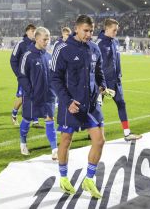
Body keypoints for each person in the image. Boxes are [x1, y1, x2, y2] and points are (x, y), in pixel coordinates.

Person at [51, 15, 112, 199]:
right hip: (72, 104)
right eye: (86, 30)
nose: (89, 34)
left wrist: (102, 86)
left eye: (91, 31)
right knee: (66, 141)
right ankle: (63, 177)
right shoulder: (62, 48)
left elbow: (99, 72)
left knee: (100, 141)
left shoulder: (94, 48)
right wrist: (67, 101)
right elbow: (54, 78)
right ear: (76, 29)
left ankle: (89, 179)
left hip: (92, 105)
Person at [96, 18, 142, 141]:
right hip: (102, 82)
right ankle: (94, 133)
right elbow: (95, 65)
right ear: (106, 29)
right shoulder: (99, 43)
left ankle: (127, 133)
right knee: (97, 108)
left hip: (116, 81)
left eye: (117, 30)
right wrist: (99, 83)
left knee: (121, 104)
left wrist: (119, 75)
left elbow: (117, 61)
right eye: (114, 30)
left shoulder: (115, 42)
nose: (116, 32)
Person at [18, 27, 58, 159]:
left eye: (48, 39)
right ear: (36, 39)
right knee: (27, 119)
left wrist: (55, 93)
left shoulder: (48, 56)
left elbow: (53, 75)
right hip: (32, 97)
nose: (47, 41)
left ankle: (54, 150)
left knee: (50, 119)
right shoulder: (27, 56)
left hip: (48, 96)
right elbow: (22, 76)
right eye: (44, 39)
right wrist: (30, 92)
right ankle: (23, 143)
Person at [10, 24, 43, 128]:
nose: (34, 33)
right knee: (22, 98)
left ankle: (35, 121)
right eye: (33, 31)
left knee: (36, 96)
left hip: (35, 76)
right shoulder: (21, 44)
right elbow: (13, 60)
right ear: (27, 31)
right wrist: (19, 74)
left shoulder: (36, 44)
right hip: (24, 76)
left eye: (35, 31)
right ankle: (14, 115)